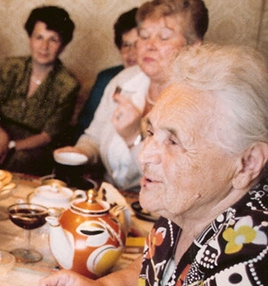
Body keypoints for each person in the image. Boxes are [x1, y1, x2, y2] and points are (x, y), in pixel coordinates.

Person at [0, 43, 268, 286]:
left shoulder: (257, 259)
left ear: (247, 163)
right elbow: (161, 272)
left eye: (173, 141)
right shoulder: (188, 207)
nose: (145, 154)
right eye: (151, 132)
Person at [55, 0, 208, 191]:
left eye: (164, 37)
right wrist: (81, 152)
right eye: (144, 36)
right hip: (109, 197)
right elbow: (93, 138)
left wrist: (133, 137)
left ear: (193, 46)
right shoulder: (124, 81)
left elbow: (181, 181)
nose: (149, 46)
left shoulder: (201, 100)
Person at [0, 5, 80, 176]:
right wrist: (0, 137)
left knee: (19, 159)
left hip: (32, 147)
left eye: (53, 40)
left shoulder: (68, 84)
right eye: (39, 37)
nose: (44, 46)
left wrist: (8, 146)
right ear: (30, 39)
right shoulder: (11, 67)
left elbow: (47, 136)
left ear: (63, 46)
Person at [74, 7, 139, 141]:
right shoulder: (108, 78)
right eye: (126, 45)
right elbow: (84, 124)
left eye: (137, 45)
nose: (131, 53)